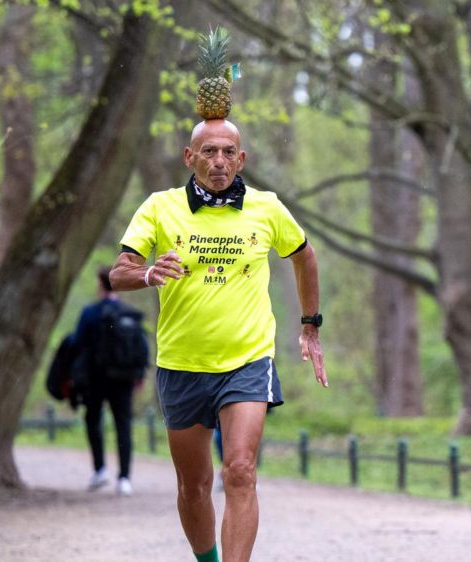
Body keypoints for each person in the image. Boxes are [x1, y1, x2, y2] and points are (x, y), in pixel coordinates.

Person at [109, 119, 326, 562]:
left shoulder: (266, 208)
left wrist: (310, 325)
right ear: (189, 158)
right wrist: (149, 273)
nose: (219, 161)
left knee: (241, 471)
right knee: (193, 487)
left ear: (241, 159)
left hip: (248, 361)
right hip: (182, 363)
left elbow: (304, 255)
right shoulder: (160, 207)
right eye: (208, 152)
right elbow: (119, 273)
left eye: (228, 152)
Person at [74, 266, 147, 496]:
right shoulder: (129, 314)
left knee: (93, 421)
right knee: (123, 426)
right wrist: (139, 376)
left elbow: (78, 344)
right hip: (123, 380)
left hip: (95, 379)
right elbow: (142, 348)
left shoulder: (89, 313)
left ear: (100, 284)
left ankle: (100, 470)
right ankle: (124, 478)